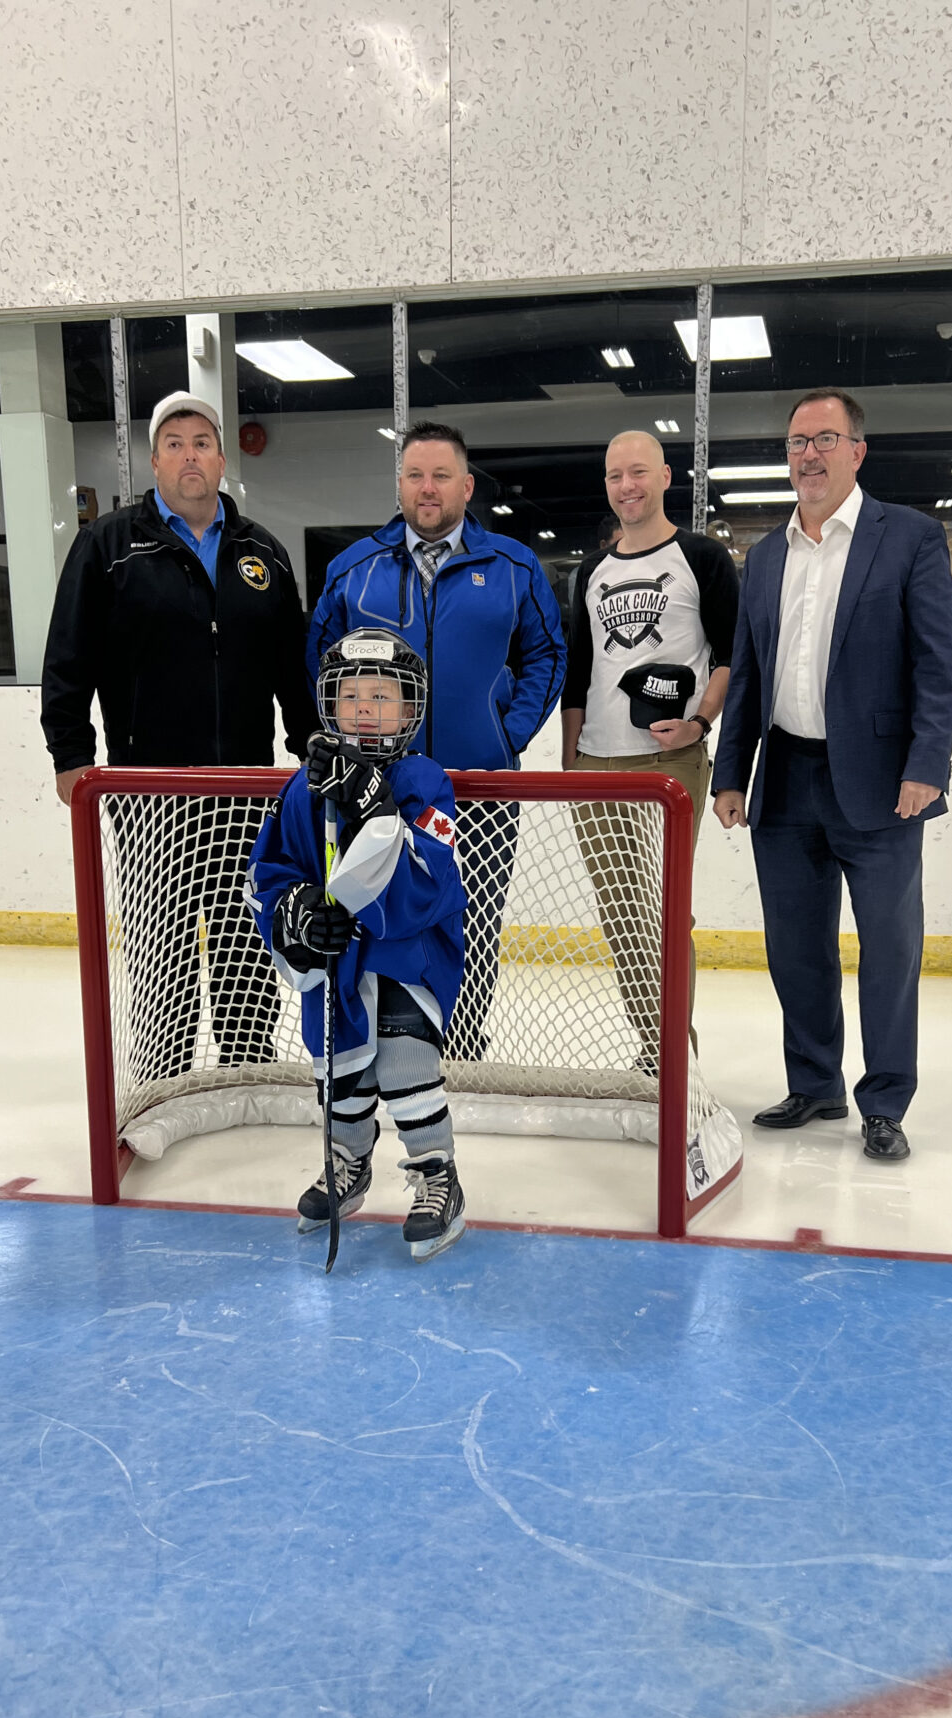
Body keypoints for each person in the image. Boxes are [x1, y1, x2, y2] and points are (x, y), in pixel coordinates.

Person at [711, 388, 952, 1162]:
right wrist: (731, 772)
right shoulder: (766, 555)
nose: (809, 455)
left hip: (883, 782)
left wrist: (928, 763)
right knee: (795, 947)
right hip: (786, 777)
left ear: (858, 450)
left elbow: (936, 665)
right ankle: (815, 1082)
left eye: (825, 439)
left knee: (889, 948)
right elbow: (749, 673)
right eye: (796, 442)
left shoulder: (909, 537)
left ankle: (884, 1102)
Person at [41, 392, 313, 1078]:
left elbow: (292, 667)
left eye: (201, 443)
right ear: (155, 461)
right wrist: (71, 754)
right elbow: (68, 656)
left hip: (246, 789)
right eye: (174, 443)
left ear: (221, 460)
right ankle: (164, 1075)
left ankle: (247, 1068)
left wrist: (310, 747)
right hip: (150, 791)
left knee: (244, 937)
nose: (189, 455)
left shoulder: (263, 552)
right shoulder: (107, 546)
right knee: (161, 940)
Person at [307, 421, 566, 1058]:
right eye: (416, 475)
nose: (428, 488)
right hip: (372, 790)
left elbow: (547, 654)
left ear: (466, 486)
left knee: (472, 921)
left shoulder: (512, 565)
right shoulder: (353, 569)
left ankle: (462, 1048)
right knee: (371, 913)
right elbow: (321, 660)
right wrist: (352, 743)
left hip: (478, 792)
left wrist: (507, 734)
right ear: (399, 484)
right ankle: (378, 1049)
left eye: (441, 476)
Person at [248, 630, 468, 1261]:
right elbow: (271, 871)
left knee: (404, 1066)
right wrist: (300, 915)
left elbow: (432, 878)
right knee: (341, 1074)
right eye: (350, 696)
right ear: (330, 705)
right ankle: (348, 1162)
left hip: (404, 958)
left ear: (410, 708)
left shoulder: (423, 778)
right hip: (338, 965)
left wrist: (377, 808)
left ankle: (437, 1175)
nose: (365, 708)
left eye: (381, 696)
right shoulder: (303, 787)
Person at [562, 430, 739, 1066]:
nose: (627, 486)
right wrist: (570, 759)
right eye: (615, 476)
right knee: (621, 913)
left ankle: (675, 1054)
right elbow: (579, 670)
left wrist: (700, 724)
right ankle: (656, 1047)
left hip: (672, 763)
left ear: (665, 477)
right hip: (598, 761)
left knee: (668, 915)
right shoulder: (591, 571)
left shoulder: (702, 557)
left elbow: (730, 655)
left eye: (638, 472)